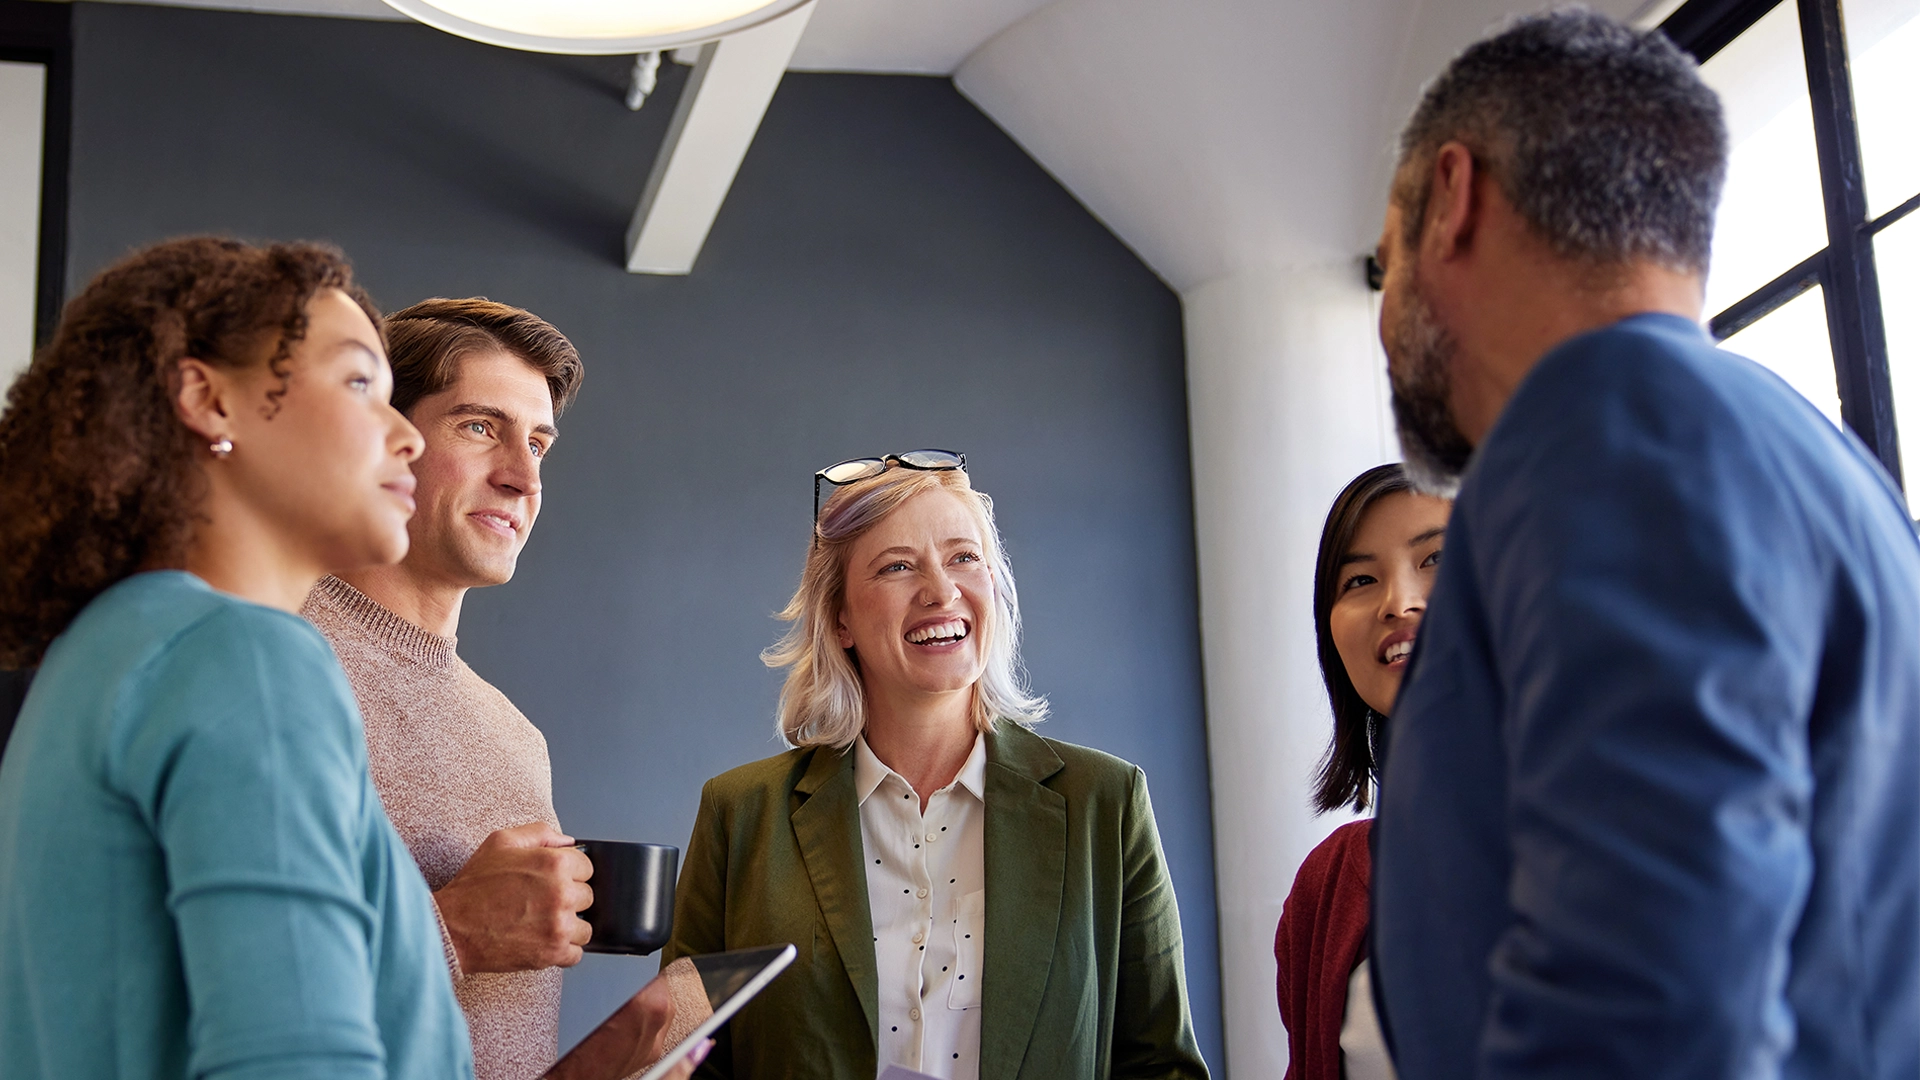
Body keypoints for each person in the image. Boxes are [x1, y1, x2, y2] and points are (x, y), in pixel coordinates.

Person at [0, 239, 702, 1080]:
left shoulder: (121, 642)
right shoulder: (249, 656)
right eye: (360, 384)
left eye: (540, 444)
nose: (399, 440)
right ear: (208, 401)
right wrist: (454, 934)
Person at [1369, 11, 1920, 1079]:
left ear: (1453, 198)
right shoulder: (1826, 467)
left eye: (1385, 263)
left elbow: (1653, 1003)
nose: (1383, 317)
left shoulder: (1605, 424)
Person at [661, 453, 1210, 1080]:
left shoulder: (1106, 804)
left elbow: (1161, 1065)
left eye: (963, 557)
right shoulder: (741, 816)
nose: (941, 591)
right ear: (839, 618)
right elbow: (682, 1060)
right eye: (897, 567)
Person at [297, 298, 597, 1080]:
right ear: (385, 438)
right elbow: (199, 974)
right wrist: (455, 930)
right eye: (479, 427)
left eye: (538, 443)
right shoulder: (274, 662)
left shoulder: (517, 739)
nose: (522, 477)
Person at [1274, 464, 1446, 1080]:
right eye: (1361, 579)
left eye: (1437, 560)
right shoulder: (1325, 888)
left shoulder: (1617, 837)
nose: (1399, 602)